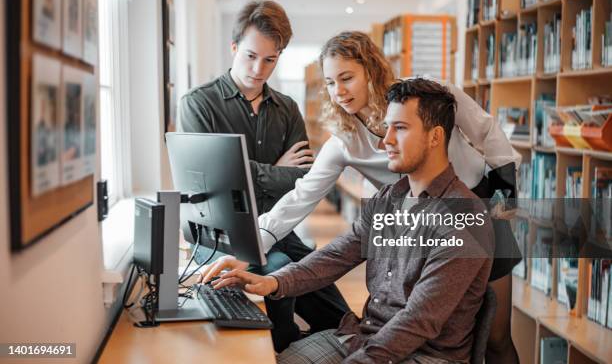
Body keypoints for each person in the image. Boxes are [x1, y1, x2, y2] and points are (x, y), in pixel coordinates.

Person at [201, 31, 521, 362]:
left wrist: (503, 202)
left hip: (476, 207)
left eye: (347, 78)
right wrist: (248, 248)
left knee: (495, 337)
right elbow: (301, 197)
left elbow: (488, 134)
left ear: (371, 69)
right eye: (330, 82)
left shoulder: (426, 96)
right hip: (408, 213)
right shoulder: (346, 139)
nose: (338, 91)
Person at [178, 0, 349, 352]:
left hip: (280, 229)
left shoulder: (287, 108)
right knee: (281, 269)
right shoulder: (197, 105)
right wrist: (277, 170)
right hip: (224, 236)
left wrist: (246, 170)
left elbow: (303, 180)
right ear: (234, 47)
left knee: (342, 320)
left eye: (270, 59)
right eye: (251, 56)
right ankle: (280, 348)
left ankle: (295, 349)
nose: (259, 69)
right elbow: (215, 184)